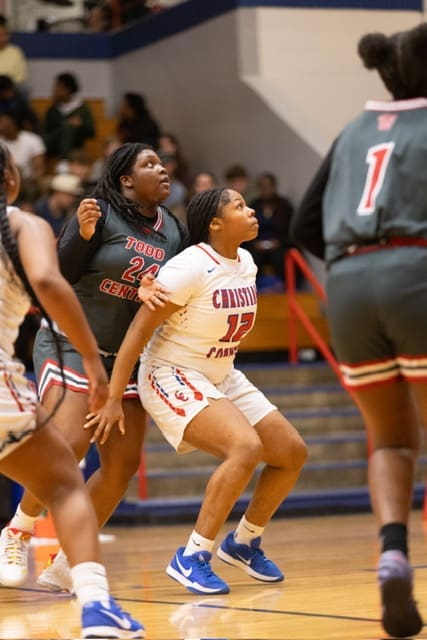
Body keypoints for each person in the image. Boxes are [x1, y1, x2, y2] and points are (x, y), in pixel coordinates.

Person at [85, 187, 307, 596]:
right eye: (239, 206)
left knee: (291, 452)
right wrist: (114, 397)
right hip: (170, 372)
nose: (251, 210)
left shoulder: (246, 261)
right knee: (244, 447)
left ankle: (243, 542)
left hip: (221, 372)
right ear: (216, 224)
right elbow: (137, 333)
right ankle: (192, 556)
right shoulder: (189, 267)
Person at [290, 23, 427, 640]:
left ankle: (393, 554)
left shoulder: (352, 131)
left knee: (391, 441)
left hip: (348, 287)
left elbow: (304, 225)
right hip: (415, 271)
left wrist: (357, 265)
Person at [0, 142, 188, 591]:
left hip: (125, 356)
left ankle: (67, 563)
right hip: (71, 343)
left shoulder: (173, 230)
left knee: (122, 463)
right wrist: (82, 237)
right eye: (149, 164)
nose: (162, 169)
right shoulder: (96, 212)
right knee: (69, 445)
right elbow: (54, 279)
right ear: (126, 179)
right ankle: (17, 532)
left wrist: (152, 290)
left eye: (162, 163)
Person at [245, 172, 295, 289]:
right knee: (249, 257)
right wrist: (254, 243)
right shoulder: (253, 206)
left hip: (280, 245)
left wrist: (279, 242)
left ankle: (285, 288)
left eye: (268, 186)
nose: (266, 190)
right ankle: (251, 289)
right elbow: (246, 229)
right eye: (262, 187)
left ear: (274, 186)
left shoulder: (285, 206)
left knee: (282, 257)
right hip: (257, 245)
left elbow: (291, 231)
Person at [43, 72, 96, 161]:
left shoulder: (82, 109)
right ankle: (64, 160)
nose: (54, 91)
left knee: (68, 127)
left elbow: (92, 132)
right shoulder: (52, 110)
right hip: (53, 147)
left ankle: (64, 161)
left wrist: (81, 124)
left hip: (75, 146)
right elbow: (46, 134)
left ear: (67, 90)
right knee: (67, 127)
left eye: (58, 88)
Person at [32, 173, 83, 237]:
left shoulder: (71, 214)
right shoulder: (38, 210)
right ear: (57, 192)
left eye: (74, 196)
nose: (72, 199)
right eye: (69, 195)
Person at [0, 16, 28, 96]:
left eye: (4, 34)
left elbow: (20, 78)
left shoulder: (16, 52)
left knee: (24, 89)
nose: (1, 38)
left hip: (10, 89)